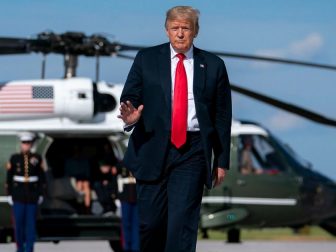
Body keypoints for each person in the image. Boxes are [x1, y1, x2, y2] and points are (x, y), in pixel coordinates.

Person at [118, 6, 232, 252]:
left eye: (186, 28)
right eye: (175, 28)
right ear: (167, 30)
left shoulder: (213, 65)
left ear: (195, 31)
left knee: (181, 223)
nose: (180, 34)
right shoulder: (146, 59)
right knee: (150, 224)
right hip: (152, 146)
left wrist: (221, 160)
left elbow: (222, 116)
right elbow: (131, 95)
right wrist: (131, 116)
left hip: (192, 151)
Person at [5, 132, 46, 252]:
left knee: (31, 226)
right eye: (24, 143)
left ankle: (29, 249)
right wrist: (9, 194)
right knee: (18, 225)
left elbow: (41, 177)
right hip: (18, 195)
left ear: (31, 144)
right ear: (21, 144)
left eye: (28, 143)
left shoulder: (37, 158)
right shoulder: (14, 158)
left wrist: (41, 193)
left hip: (32, 195)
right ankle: (19, 249)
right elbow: (9, 178)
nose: (26, 145)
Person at [117, 165, 139, 252]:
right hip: (125, 196)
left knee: (136, 225)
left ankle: (135, 248)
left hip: (136, 195)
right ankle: (127, 247)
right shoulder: (122, 163)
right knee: (126, 224)